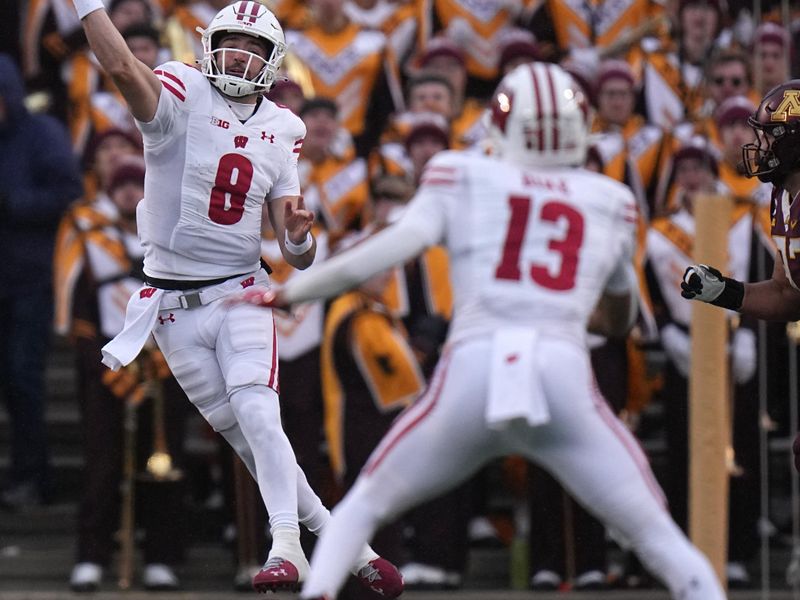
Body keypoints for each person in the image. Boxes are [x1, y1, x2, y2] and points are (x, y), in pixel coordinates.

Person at [236, 62, 727, 600]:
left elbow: (391, 246)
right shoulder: (611, 200)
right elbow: (621, 317)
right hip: (560, 375)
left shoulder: (461, 172)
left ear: (500, 125)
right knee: (659, 537)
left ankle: (319, 591)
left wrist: (292, 291)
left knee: (362, 506)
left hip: (474, 367)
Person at [69, 0, 403, 594]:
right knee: (252, 441)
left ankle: (286, 546)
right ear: (208, 44)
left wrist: (300, 240)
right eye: (232, 41)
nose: (240, 55)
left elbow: (293, 247)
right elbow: (123, 71)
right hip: (171, 307)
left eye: (254, 47)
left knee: (258, 411)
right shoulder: (181, 91)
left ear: (273, 61)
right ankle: (350, 547)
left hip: (240, 292)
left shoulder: (284, 126)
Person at [54, 158, 191, 592]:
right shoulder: (94, 244)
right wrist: (106, 364)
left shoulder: (174, 247)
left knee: (162, 463)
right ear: (111, 196)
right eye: (123, 188)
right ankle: (92, 556)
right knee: (102, 463)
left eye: (139, 186)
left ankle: (161, 557)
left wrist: (162, 361)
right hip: (108, 375)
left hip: (165, 373)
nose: (131, 193)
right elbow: (80, 317)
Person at [681, 80, 800, 471]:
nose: (759, 148)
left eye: (768, 138)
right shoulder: (784, 197)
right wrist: (725, 293)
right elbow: (787, 294)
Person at [0, 53, 82, 509]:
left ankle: (35, 474)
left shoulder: (42, 135)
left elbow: (69, 192)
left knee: (23, 375)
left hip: (31, 278)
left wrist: (14, 203)